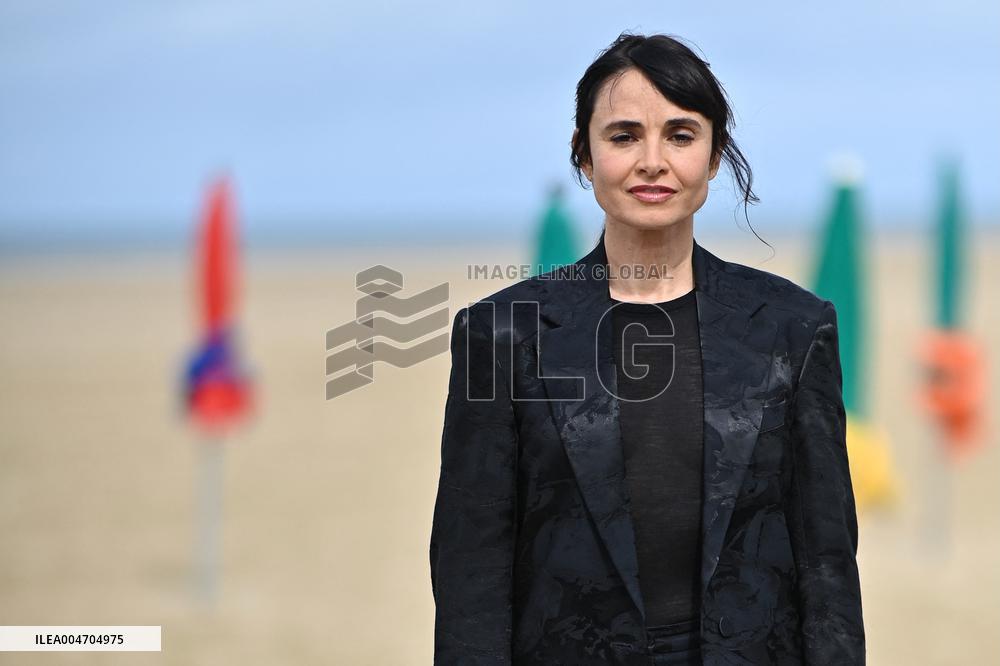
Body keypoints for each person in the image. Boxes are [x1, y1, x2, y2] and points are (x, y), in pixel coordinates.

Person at [429, 32, 865, 665]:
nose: (653, 161)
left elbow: (827, 568)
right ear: (584, 155)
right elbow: (471, 573)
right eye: (624, 135)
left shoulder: (793, 328)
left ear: (715, 157)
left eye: (681, 135)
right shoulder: (501, 333)